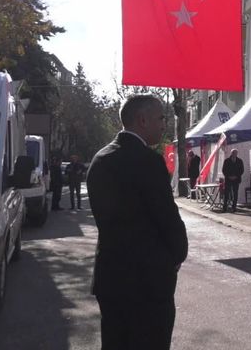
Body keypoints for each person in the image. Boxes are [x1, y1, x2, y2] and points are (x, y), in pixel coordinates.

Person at [86, 94, 188, 350]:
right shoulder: (149, 162)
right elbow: (167, 219)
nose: (164, 124)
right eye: (160, 118)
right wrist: (176, 256)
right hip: (148, 284)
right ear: (142, 120)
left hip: (111, 279)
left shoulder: (100, 160)